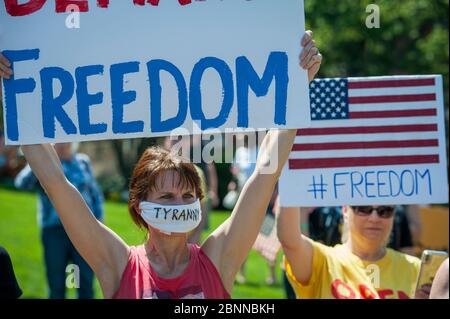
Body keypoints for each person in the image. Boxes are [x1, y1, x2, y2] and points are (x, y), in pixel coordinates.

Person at [0, 31, 322, 299]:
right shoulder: (118, 264)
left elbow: (263, 178)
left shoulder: (218, 258)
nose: (180, 205)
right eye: (167, 197)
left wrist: (296, 90)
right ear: (140, 206)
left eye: (187, 196)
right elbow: (57, 185)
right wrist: (13, 92)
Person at [277, 205, 429, 299]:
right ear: (345, 210)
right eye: (363, 208)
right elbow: (289, 240)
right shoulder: (323, 260)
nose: (374, 218)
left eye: (385, 210)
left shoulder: (416, 269)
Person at [14, 143, 104, 299]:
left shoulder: (83, 161)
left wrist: (100, 223)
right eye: (59, 140)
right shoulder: (45, 162)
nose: (64, 143)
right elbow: (21, 184)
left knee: (83, 283)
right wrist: (41, 159)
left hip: (84, 231)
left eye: (66, 139)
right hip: (54, 232)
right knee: (57, 286)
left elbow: (95, 193)